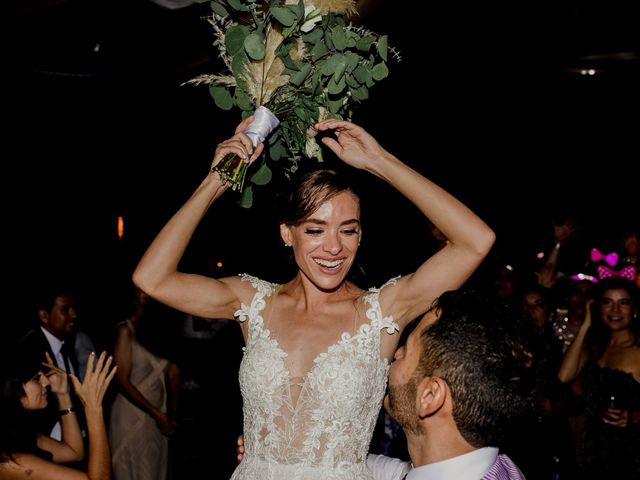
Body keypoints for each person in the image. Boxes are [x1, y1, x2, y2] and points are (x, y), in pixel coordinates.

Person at [133, 117, 495, 479]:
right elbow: (152, 278)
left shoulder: (382, 310)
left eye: (348, 230)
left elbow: (475, 241)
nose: (334, 247)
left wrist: (380, 162)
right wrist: (218, 178)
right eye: (315, 229)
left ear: (360, 234)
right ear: (287, 234)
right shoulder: (253, 301)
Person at [237, 290, 541, 479]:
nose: (395, 354)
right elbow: (395, 472)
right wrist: (293, 453)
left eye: (406, 350)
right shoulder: (495, 465)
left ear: (430, 395)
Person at [558, 277, 640, 480]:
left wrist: (636, 416)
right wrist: (586, 324)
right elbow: (563, 376)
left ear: (635, 309)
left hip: (631, 452)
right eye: (607, 302)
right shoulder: (595, 344)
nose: (615, 310)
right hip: (594, 448)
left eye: (624, 302)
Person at [0, 351, 116, 480]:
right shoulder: (11, 461)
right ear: (12, 390)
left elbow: (74, 452)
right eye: (36, 378)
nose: (46, 382)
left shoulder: (21, 435)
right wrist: (93, 409)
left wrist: (63, 395)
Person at [109, 286, 180, 480]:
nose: (146, 295)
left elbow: (173, 371)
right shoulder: (125, 330)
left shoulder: (165, 331)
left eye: (150, 290)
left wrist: (171, 412)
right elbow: (122, 381)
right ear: (133, 295)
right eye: (141, 290)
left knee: (155, 471)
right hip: (131, 414)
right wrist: (157, 414)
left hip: (160, 413)